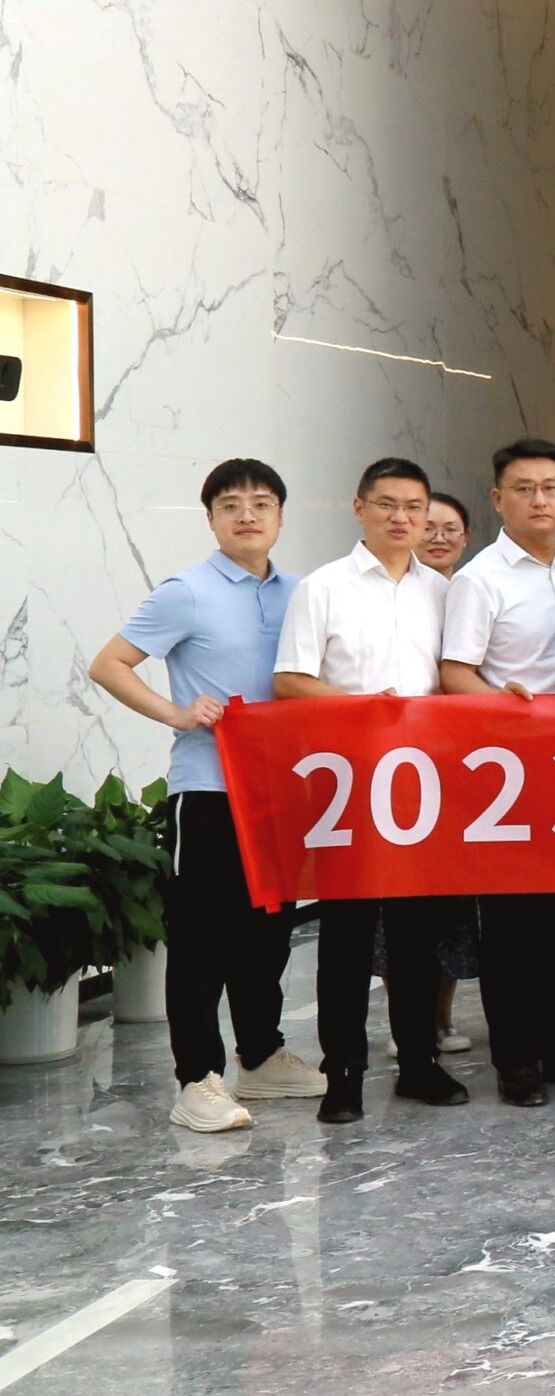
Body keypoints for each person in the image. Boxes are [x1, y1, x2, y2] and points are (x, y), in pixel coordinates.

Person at [88, 458, 326, 1132]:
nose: (247, 515)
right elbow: (109, 664)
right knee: (201, 940)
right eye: (230, 505)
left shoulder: (304, 593)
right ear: (212, 518)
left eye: (260, 503)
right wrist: (176, 713)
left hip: (283, 790)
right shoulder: (186, 592)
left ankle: (261, 1056)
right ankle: (196, 1079)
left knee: (269, 933)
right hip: (211, 790)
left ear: (280, 515)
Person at [271, 456, 461, 1124]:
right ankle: (344, 1073)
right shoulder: (323, 587)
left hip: (423, 783)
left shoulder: (443, 592)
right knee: (348, 935)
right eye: (387, 504)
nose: (401, 518)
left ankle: (418, 1062)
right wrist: (363, 708)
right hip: (347, 782)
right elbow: (290, 680)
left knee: (417, 935)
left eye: (414, 507)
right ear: (359, 509)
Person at [438, 437, 555, 1109]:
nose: (540, 500)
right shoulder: (480, 578)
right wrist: (505, 704)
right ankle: (517, 1059)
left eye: (551, 487)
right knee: (515, 924)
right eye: (524, 489)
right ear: (498, 499)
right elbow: (455, 671)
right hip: (511, 769)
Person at [419, 493, 472, 575]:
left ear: (466, 537)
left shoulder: (476, 581)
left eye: (450, 529)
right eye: (427, 529)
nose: (439, 539)